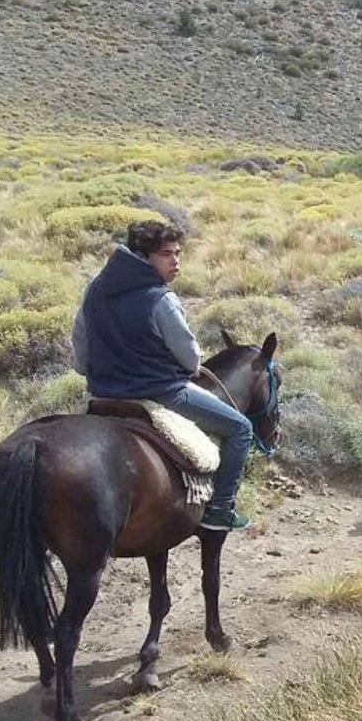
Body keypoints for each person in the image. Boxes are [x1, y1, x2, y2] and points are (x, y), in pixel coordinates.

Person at [72, 220, 253, 532]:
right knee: (241, 428)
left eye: (178, 254)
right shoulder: (161, 298)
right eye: (166, 254)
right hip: (163, 392)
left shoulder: (95, 288)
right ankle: (221, 509)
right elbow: (189, 356)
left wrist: (91, 371)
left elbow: (80, 343)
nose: (176, 262)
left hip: (104, 393)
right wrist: (189, 367)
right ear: (144, 257)